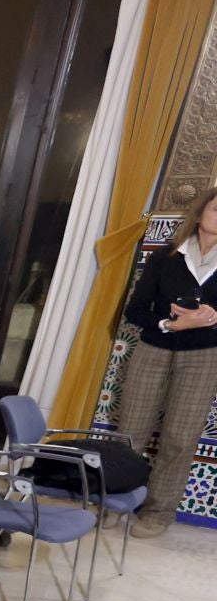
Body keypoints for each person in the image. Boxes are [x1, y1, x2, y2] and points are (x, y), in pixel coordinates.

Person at [117, 184, 217, 538]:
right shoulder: (164, 257)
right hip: (153, 349)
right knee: (130, 431)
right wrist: (169, 324)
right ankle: (114, 501)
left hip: (204, 357)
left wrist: (210, 319)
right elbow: (134, 311)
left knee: (180, 437)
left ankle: (158, 512)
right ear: (200, 213)